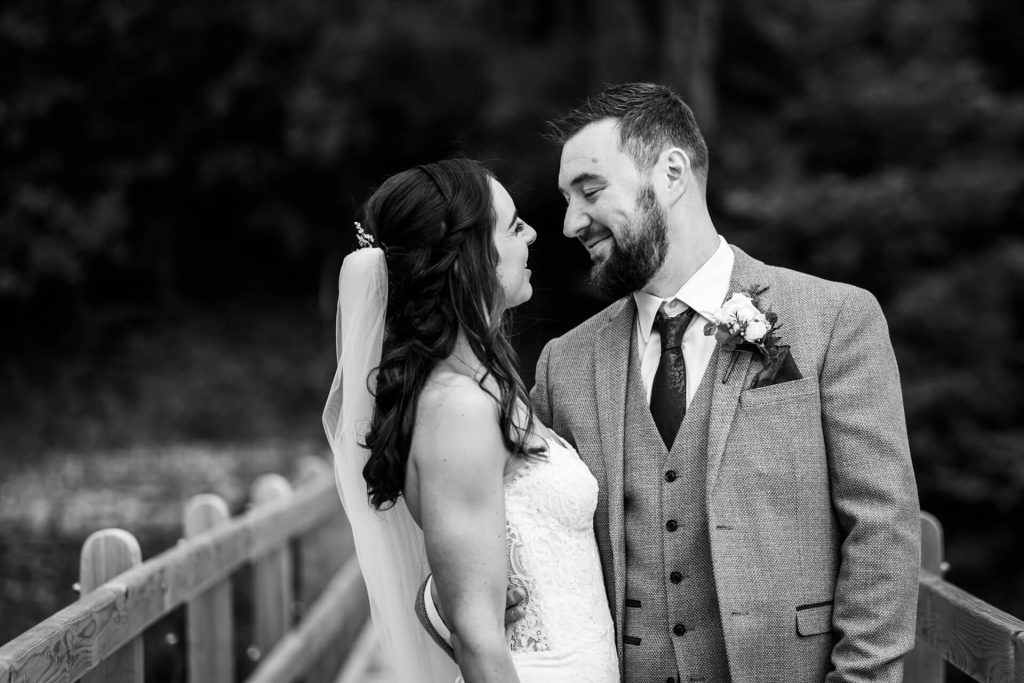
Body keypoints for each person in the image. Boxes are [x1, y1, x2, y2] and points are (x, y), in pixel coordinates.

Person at [529, 82, 921, 681]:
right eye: (566, 199)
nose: (570, 223)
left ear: (672, 173)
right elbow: (528, 525)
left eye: (591, 190)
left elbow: (882, 528)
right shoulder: (565, 363)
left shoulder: (835, 319)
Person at [323, 158, 619, 683]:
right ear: (472, 257)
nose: (532, 234)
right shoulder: (458, 407)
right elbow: (478, 638)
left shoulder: (486, 385)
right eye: (514, 226)